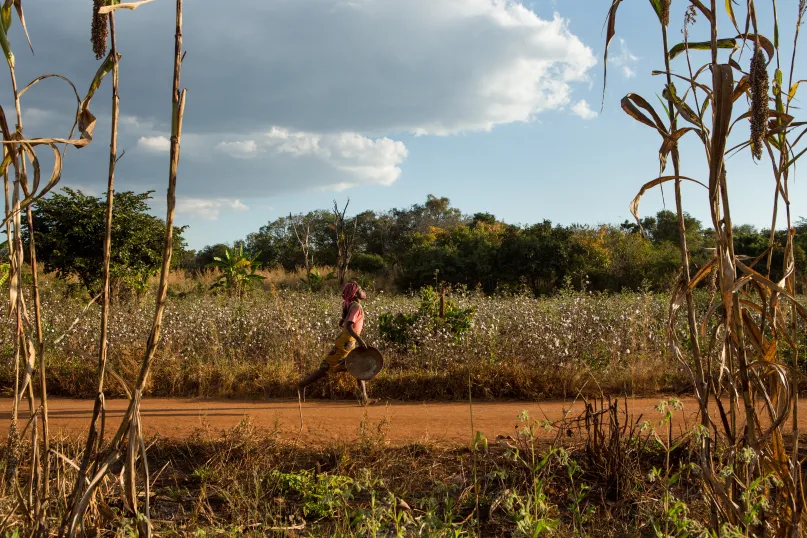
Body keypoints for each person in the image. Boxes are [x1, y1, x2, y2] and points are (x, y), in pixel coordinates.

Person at [297, 281, 376, 406]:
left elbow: (344, 322)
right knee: (327, 367)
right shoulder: (356, 307)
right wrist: (360, 340)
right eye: (361, 289)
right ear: (355, 294)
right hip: (347, 342)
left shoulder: (351, 305)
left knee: (357, 368)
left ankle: (364, 398)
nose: (363, 291)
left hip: (347, 341)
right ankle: (302, 385)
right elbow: (348, 325)